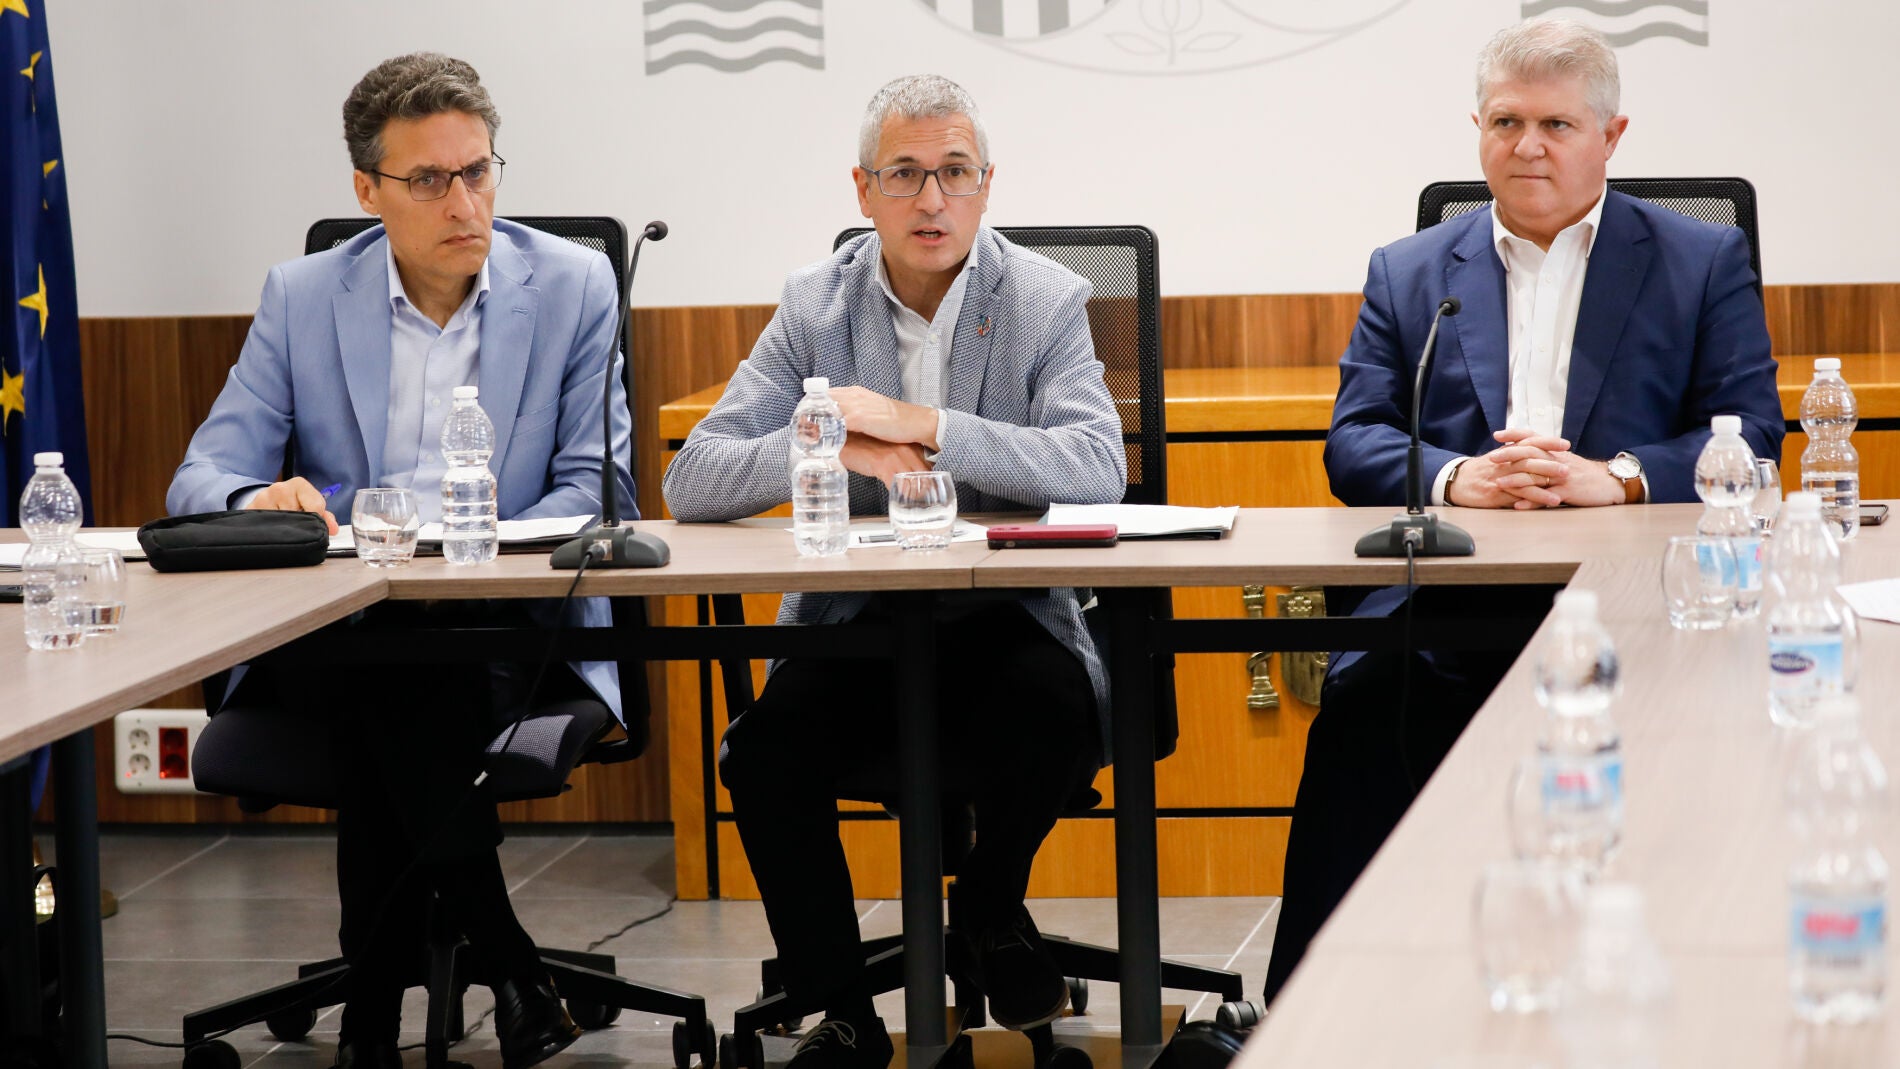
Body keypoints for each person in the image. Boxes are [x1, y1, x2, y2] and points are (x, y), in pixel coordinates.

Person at [1264, 16, 1783, 1004]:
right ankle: (1313, 1013)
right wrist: (1457, 477)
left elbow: (1754, 436)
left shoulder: (1698, 260)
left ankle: (1697, 991)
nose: (1528, 146)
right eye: (1506, 122)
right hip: (1450, 603)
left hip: (1639, 602)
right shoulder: (1410, 271)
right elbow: (1353, 439)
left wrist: (1615, 477)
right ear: (1477, 130)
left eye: (1556, 124)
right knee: (1363, 712)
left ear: (1610, 136)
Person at [168, 53, 633, 1069]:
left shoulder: (571, 283)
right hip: (337, 628)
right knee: (398, 668)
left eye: (478, 171)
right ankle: (509, 965)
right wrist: (258, 498)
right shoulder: (303, 295)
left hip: (500, 623)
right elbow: (201, 478)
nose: (463, 202)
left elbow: (596, 489)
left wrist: (469, 555)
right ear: (367, 189)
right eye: (428, 179)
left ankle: (372, 1020)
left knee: (410, 672)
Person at [663, 74, 1124, 1069]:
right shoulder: (814, 305)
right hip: (857, 625)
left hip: (1009, 618)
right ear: (863, 189)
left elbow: (1096, 466)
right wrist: (825, 441)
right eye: (904, 174)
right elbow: (691, 477)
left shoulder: (1043, 298)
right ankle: (841, 1012)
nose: (931, 199)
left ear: (987, 184)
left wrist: (928, 425)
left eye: (954, 172)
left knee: (1061, 714)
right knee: (761, 757)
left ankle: (988, 909)